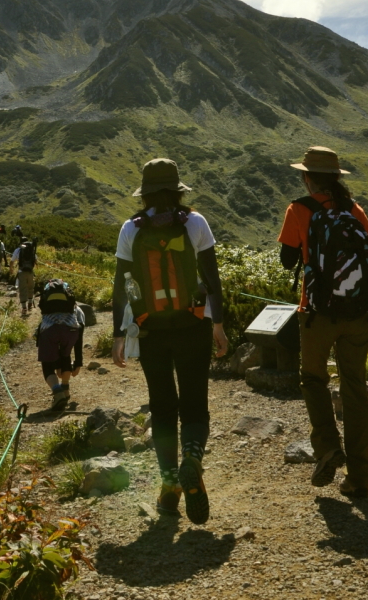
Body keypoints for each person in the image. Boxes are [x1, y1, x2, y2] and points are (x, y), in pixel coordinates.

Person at [111, 158, 228, 524]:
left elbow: (122, 286)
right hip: (192, 325)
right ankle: (191, 458)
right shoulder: (194, 222)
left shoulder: (131, 228)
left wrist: (119, 334)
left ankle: (168, 486)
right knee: (195, 404)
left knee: (162, 409)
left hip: (151, 331)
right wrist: (218, 325)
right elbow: (212, 278)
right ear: (177, 189)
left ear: (145, 192)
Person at [277, 146, 368, 499]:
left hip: (316, 313)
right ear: (337, 179)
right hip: (357, 315)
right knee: (355, 388)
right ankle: (359, 478)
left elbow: (285, 259)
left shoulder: (299, 209)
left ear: (307, 178)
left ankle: (327, 446)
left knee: (313, 379)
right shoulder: (353, 209)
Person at [37, 279, 84, 411]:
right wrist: (79, 361)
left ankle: (58, 393)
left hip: (49, 330)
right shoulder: (77, 309)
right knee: (65, 355)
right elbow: (80, 336)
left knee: (47, 364)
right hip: (71, 331)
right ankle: (66, 390)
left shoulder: (47, 308)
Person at [11, 236, 38, 317]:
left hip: (21, 271)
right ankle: (30, 303)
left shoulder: (18, 250)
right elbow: (35, 260)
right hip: (30, 271)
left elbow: (12, 261)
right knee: (30, 287)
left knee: (23, 289)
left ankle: (24, 308)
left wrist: (11, 269)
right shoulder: (31, 249)